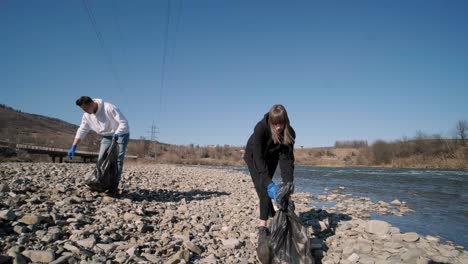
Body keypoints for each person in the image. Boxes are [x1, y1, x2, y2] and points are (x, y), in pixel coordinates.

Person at [243, 104, 295, 258]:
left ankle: (275, 212)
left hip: (272, 157)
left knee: (271, 190)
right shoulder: (260, 128)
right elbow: (258, 157)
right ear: (271, 122)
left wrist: (288, 181)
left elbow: (286, 159)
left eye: (281, 123)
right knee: (263, 188)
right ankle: (263, 226)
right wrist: (267, 181)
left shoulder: (290, 133)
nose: (278, 127)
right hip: (254, 157)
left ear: (285, 121)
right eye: (275, 124)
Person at [67, 96, 130, 196]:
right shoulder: (87, 115)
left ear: (92, 104)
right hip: (106, 136)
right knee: (101, 158)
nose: (86, 112)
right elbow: (82, 129)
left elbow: (124, 123)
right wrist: (74, 146)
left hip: (121, 134)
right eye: (83, 110)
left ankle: (114, 186)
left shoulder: (109, 108)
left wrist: (117, 133)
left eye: (86, 109)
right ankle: (102, 183)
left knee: (117, 160)